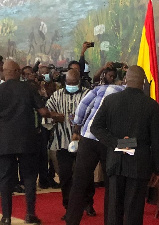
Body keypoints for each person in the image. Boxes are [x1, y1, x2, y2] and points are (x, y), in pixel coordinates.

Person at [90, 65, 159, 225]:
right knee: (134, 210)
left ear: (125, 80)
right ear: (143, 82)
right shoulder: (151, 105)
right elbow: (156, 141)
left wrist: (118, 143)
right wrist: (157, 169)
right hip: (139, 164)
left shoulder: (111, 100)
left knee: (114, 208)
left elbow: (95, 127)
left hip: (115, 161)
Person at [0, 59, 64, 225]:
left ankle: (6, 217)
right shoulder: (28, 88)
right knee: (29, 177)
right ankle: (30, 214)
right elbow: (43, 111)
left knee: (5, 179)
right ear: (15, 72)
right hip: (27, 140)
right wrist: (57, 116)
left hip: (4, 142)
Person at [66, 84, 126, 225]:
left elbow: (83, 106)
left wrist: (77, 126)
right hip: (110, 142)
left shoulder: (102, 89)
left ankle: (71, 221)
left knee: (79, 182)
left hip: (89, 138)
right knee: (112, 186)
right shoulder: (132, 97)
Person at [45, 69, 92, 220]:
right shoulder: (56, 95)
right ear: (65, 81)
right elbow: (45, 114)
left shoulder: (87, 95)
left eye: (74, 83)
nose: (71, 85)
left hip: (84, 142)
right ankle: (68, 207)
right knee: (65, 177)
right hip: (63, 143)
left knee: (86, 175)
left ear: (79, 81)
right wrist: (53, 117)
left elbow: (95, 115)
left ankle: (88, 203)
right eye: (69, 83)